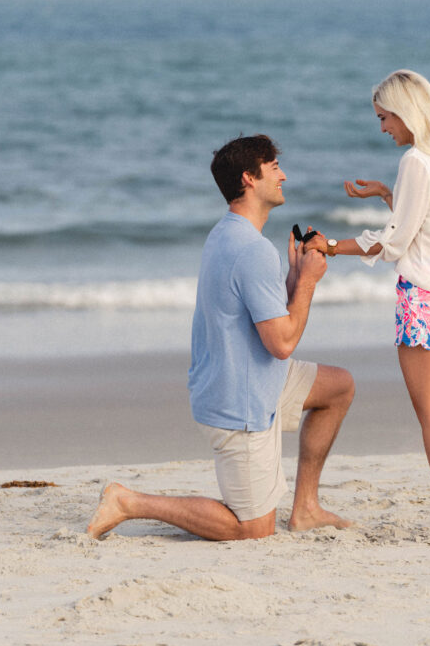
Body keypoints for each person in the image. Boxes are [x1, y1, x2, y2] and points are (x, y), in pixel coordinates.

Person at [87, 134, 355, 541]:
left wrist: (293, 277)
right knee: (252, 529)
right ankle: (129, 502)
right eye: (274, 167)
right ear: (249, 178)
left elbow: (261, 315)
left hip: (251, 378)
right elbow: (282, 343)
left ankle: (306, 508)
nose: (283, 175)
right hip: (239, 404)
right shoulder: (252, 250)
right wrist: (309, 284)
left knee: (338, 387)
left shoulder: (227, 233)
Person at [306, 70, 430, 538]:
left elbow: (394, 242)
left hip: (427, 297)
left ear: (405, 112)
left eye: (384, 117)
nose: (382, 128)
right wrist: (386, 193)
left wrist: (329, 246)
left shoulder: (416, 160)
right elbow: (425, 222)